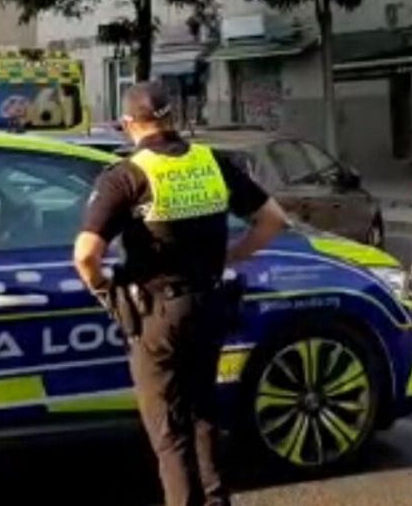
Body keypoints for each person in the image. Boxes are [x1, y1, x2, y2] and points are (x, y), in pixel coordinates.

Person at [73, 81, 288, 506]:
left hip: (159, 313)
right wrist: (232, 255)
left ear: (128, 124)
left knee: (169, 431)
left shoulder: (127, 176)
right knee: (204, 413)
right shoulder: (212, 162)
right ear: (173, 118)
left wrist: (103, 290)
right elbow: (273, 219)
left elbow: (85, 255)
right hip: (210, 304)